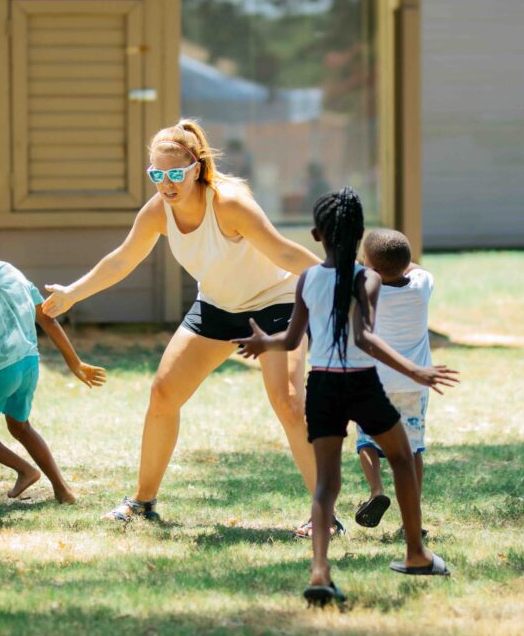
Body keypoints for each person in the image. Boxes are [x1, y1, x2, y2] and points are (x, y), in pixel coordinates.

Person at [41, 119, 327, 531]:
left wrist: (335, 276)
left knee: (288, 403)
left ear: (197, 168)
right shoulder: (158, 211)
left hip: (274, 303)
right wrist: (72, 294)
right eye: (157, 174)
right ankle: (142, 502)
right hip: (217, 305)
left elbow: (283, 253)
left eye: (175, 173)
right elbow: (122, 260)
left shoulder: (229, 204)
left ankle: (325, 514)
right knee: (163, 394)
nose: (167, 183)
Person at [234, 187, 459, 607]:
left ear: (317, 235)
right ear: (359, 235)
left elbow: (295, 338)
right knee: (403, 459)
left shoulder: (308, 279)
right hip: (361, 383)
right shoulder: (368, 278)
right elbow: (364, 338)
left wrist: (265, 343)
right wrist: (415, 370)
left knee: (326, 485)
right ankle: (416, 553)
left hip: (322, 386)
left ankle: (320, 573)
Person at [0, 222, 106, 504]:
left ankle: (25, 469)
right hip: (28, 362)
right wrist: (74, 363)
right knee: (21, 427)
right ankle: (63, 490)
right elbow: (46, 317)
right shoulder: (12, 270)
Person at [352, 229, 434, 531]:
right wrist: (401, 261)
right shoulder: (421, 286)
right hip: (414, 384)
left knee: (366, 439)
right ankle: (412, 520)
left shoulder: (366, 289)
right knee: (412, 450)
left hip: (376, 382)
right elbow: (418, 269)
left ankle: (377, 490)